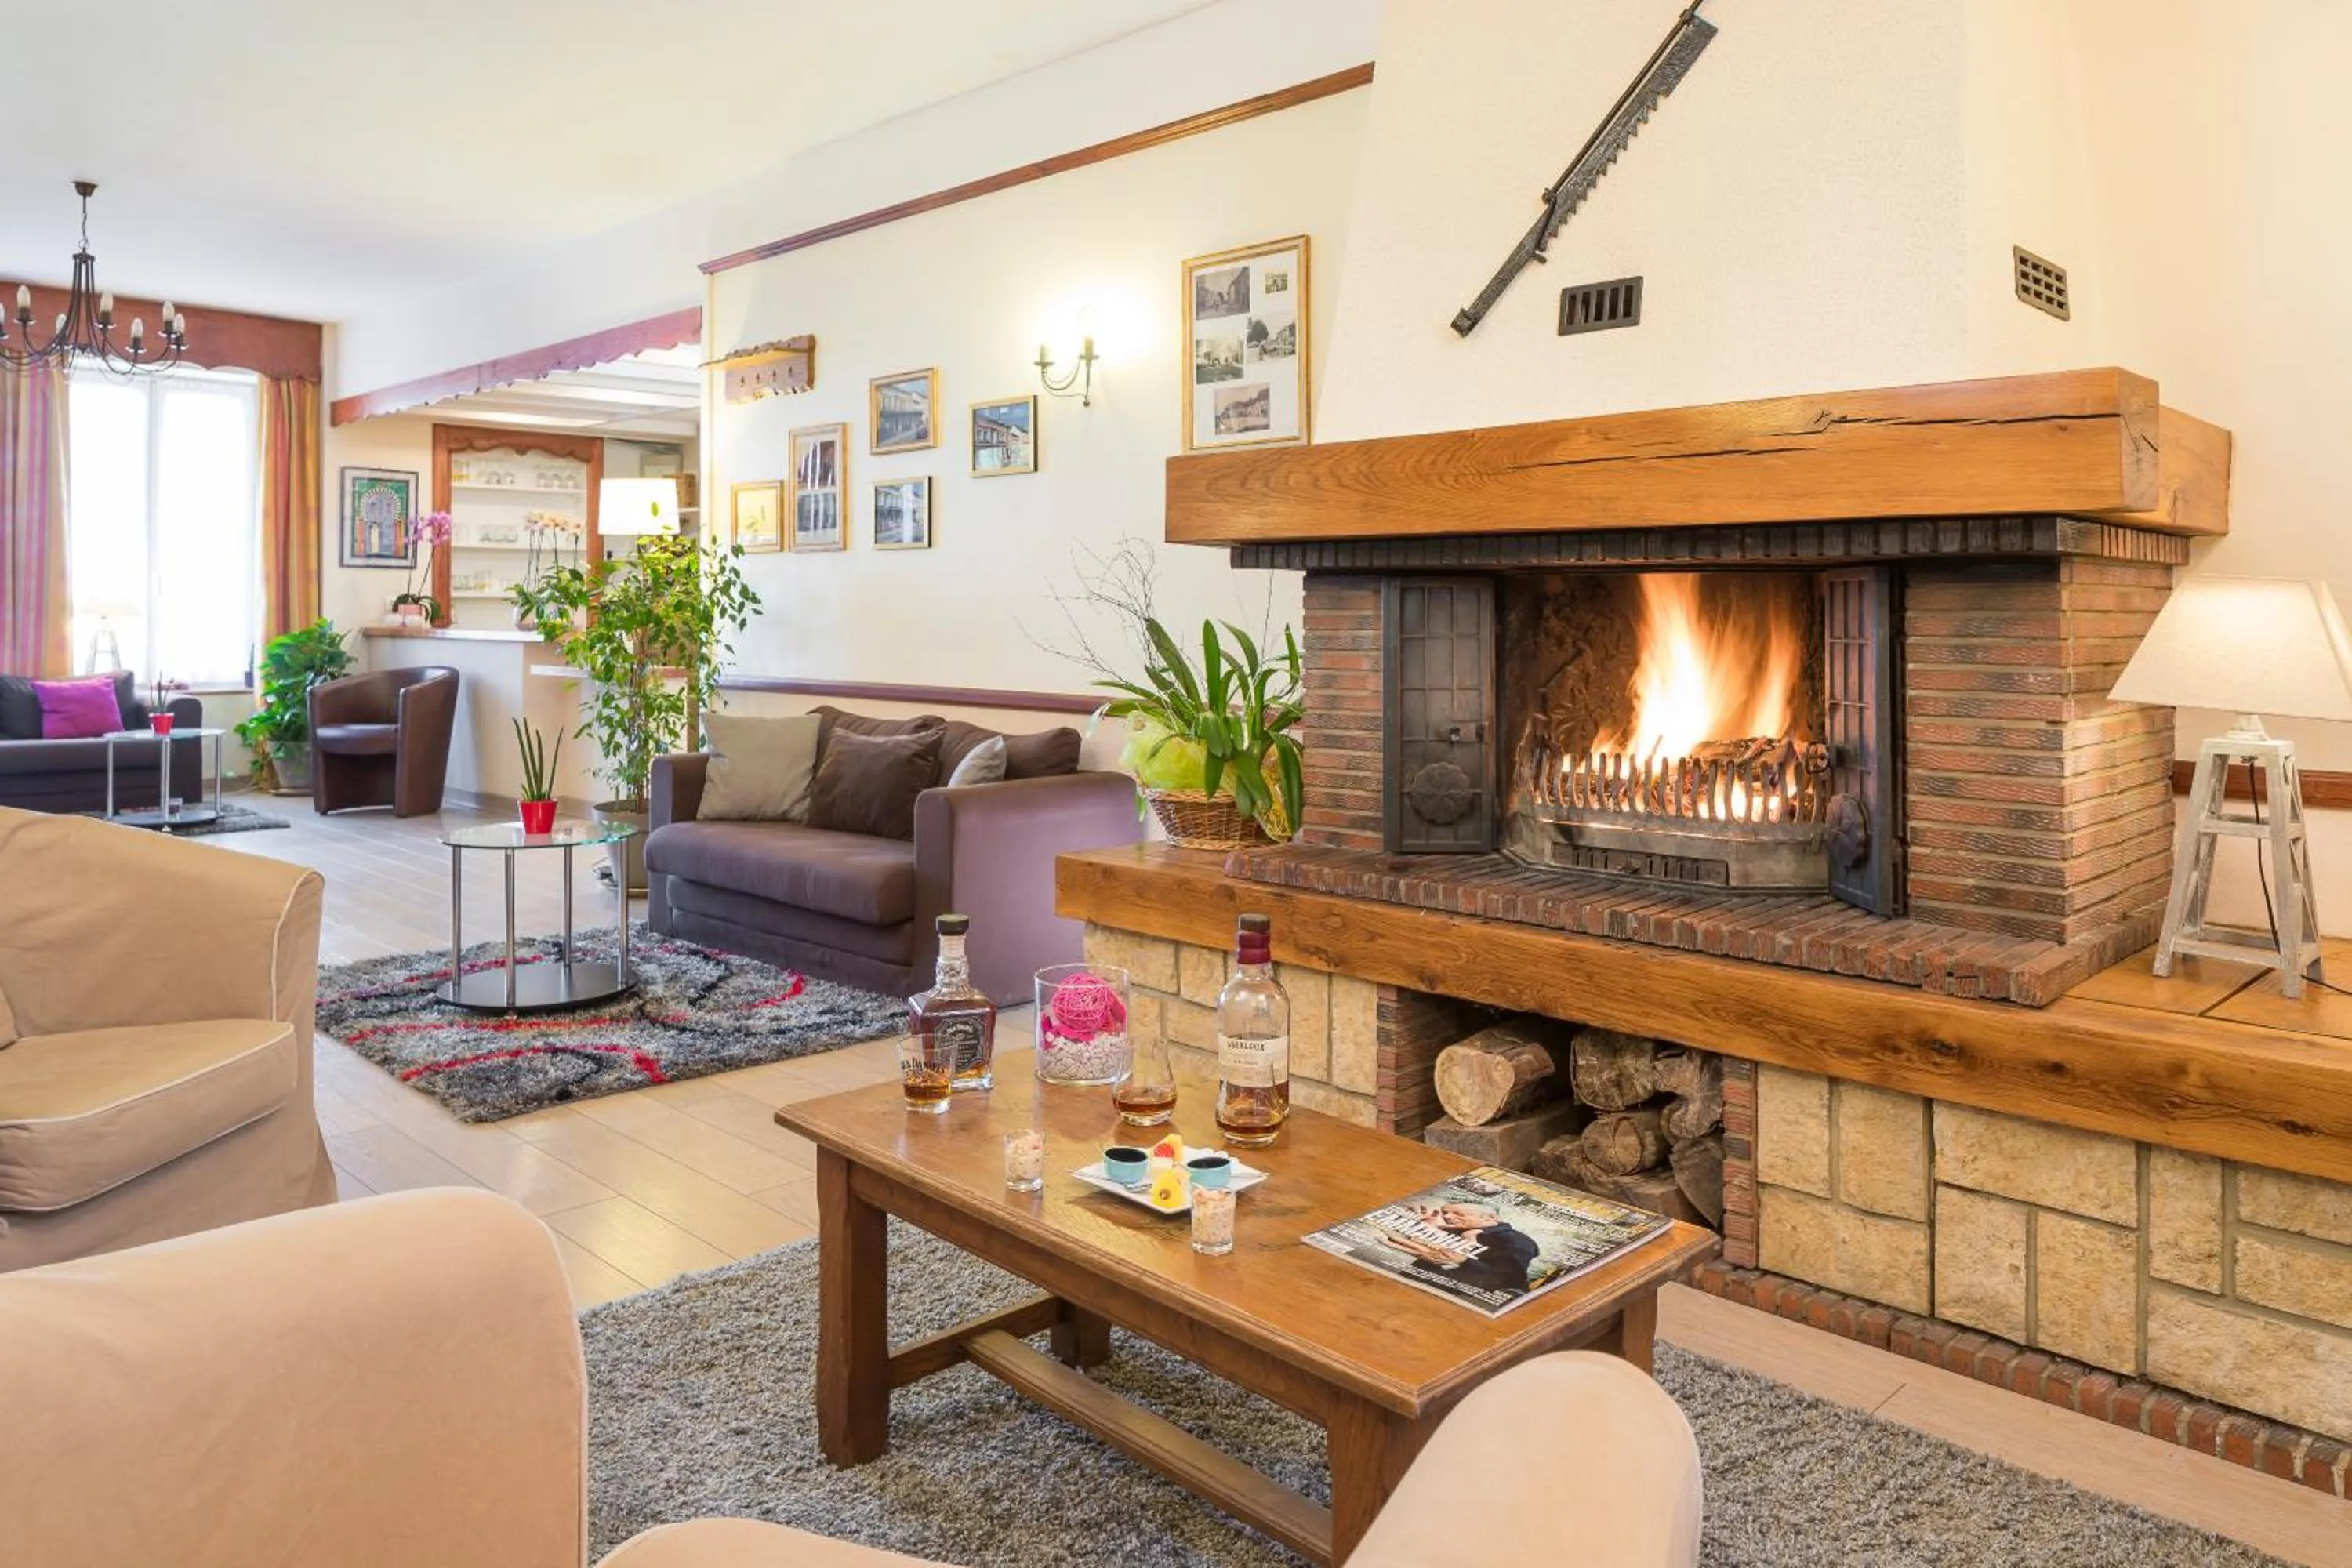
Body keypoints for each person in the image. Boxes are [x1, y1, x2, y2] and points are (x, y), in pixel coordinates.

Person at [1381, 1200, 1539, 1297]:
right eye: (1445, 1213)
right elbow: (1393, 1240)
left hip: (1452, 1303)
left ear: (1491, 1218)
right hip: (1403, 1289)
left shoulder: (1516, 1240)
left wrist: (1464, 1261)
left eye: (1458, 1214)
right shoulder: (1453, 1231)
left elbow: (1508, 1279)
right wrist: (1414, 1226)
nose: (1448, 1217)